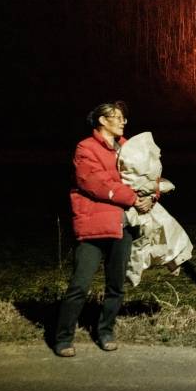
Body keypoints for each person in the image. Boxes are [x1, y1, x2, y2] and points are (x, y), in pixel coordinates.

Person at [54, 101, 154, 357]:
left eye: (123, 117)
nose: (124, 122)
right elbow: (95, 183)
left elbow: (147, 177)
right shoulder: (85, 148)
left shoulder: (128, 148)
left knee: (116, 285)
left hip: (123, 225)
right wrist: (132, 198)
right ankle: (63, 337)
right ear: (102, 120)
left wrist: (150, 197)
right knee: (80, 284)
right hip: (95, 225)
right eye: (117, 117)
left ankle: (106, 331)